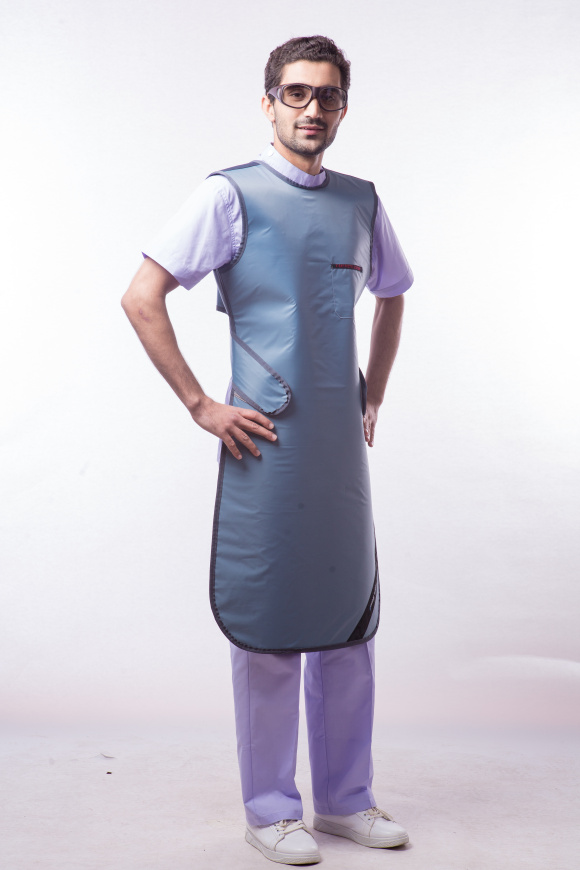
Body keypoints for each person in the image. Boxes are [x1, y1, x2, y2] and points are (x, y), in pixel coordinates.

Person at [122, 34, 413, 866]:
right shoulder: (229, 195)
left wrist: (374, 391)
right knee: (271, 624)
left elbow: (393, 293)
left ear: (344, 107)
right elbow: (142, 297)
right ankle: (271, 809)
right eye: (296, 93)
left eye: (327, 95)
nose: (312, 108)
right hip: (267, 443)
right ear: (269, 102)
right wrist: (200, 405)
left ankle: (345, 800)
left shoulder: (361, 201)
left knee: (350, 620)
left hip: (339, 451)